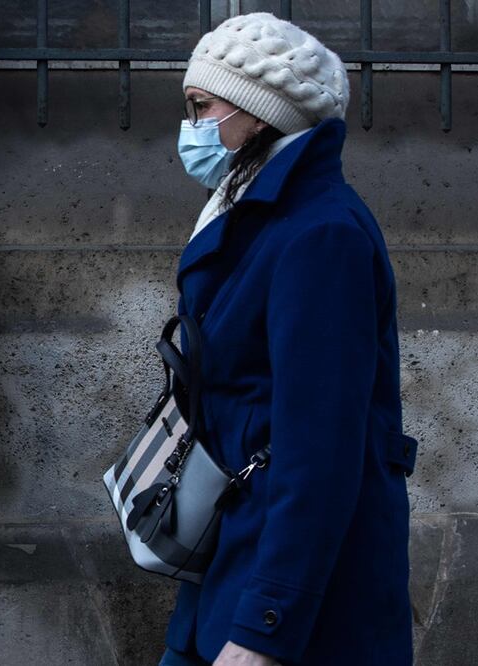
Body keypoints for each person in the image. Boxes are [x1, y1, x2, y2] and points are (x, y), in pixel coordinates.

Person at [159, 13, 417, 666]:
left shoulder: (318, 236)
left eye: (201, 106)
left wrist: (263, 629)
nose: (190, 130)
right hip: (230, 567)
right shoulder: (253, 214)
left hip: (293, 606)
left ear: (258, 112)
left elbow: (321, 454)